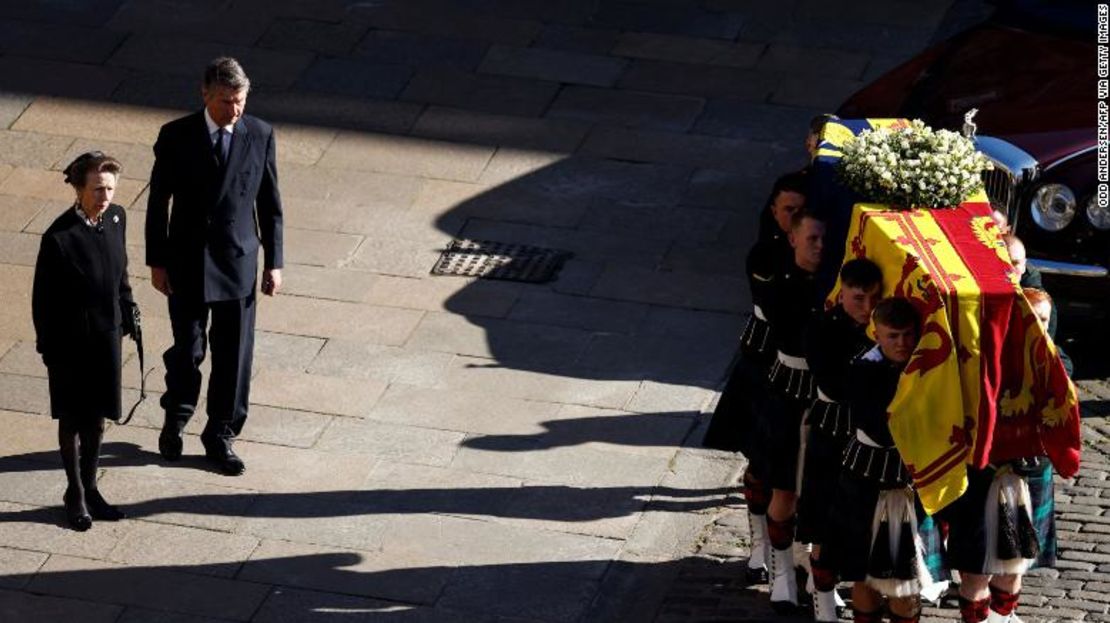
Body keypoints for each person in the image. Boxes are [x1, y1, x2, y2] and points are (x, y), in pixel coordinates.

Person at [146, 57, 284, 475]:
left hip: (238, 262)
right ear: (205, 95)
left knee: (234, 355)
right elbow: (157, 204)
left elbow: (270, 205)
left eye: (240, 100)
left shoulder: (259, 135)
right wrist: (157, 260)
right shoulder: (176, 136)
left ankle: (221, 433)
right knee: (188, 351)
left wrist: (274, 262)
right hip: (187, 262)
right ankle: (177, 415)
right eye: (226, 101)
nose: (234, 110)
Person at [701, 170, 809, 584]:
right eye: (788, 210)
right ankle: (759, 543)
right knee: (760, 459)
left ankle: (789, 549)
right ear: (774, 211)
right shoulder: (766, 256)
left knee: (787, 470)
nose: (794, 216)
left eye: (801, 210)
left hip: (792, 367)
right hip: (763, 361)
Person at [941, 287, 1066, 623]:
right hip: (981, 473)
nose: (1037, 329)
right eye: (1031, 320)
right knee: (976, 570)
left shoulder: (1058, 362)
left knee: (1014, 567)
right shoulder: (982, 357)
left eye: (1044, 321)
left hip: (1029, 470)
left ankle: (1003, 618)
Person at [824, 297, 946, 623]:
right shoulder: (862, 370)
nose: (902, 343)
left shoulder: (928, 367)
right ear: (876, 334)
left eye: (908, 335)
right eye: (893, 336)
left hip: (913, 484)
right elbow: (880, 430)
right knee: (863, 575)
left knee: (906, 585)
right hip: (866, 481)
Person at [32, 152, 136, 530]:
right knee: (73, 419)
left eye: (109, 188)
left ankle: (91, 488)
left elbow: (121, 269)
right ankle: (74, 493)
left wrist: (128, 306)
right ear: (78, 189)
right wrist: (49, 350)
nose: (104, 196)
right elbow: (41, 302)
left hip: (106, 337)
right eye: (96, 189)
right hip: (70, 344)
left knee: (97, 418)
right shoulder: (58, 238)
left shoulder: (116, 217)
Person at [797, 258, 883, 621]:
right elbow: (832, 383)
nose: (866, 309)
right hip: (833, 430)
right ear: (842, 292)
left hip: (864, 443)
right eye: (858, 298)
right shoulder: (822, 327)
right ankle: (822, 599)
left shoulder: (879, 330)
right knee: (822, 521)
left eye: (873, 299)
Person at [761, 208, 826, 612]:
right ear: (793, 239)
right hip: (791, 389)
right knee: (784, 487)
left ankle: (822, 583)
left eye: (823, 239)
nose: (818, 246)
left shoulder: (835, 281)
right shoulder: (779, 284)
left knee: (822, 494)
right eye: (811, 239)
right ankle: (782, 570)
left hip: (826, 400)